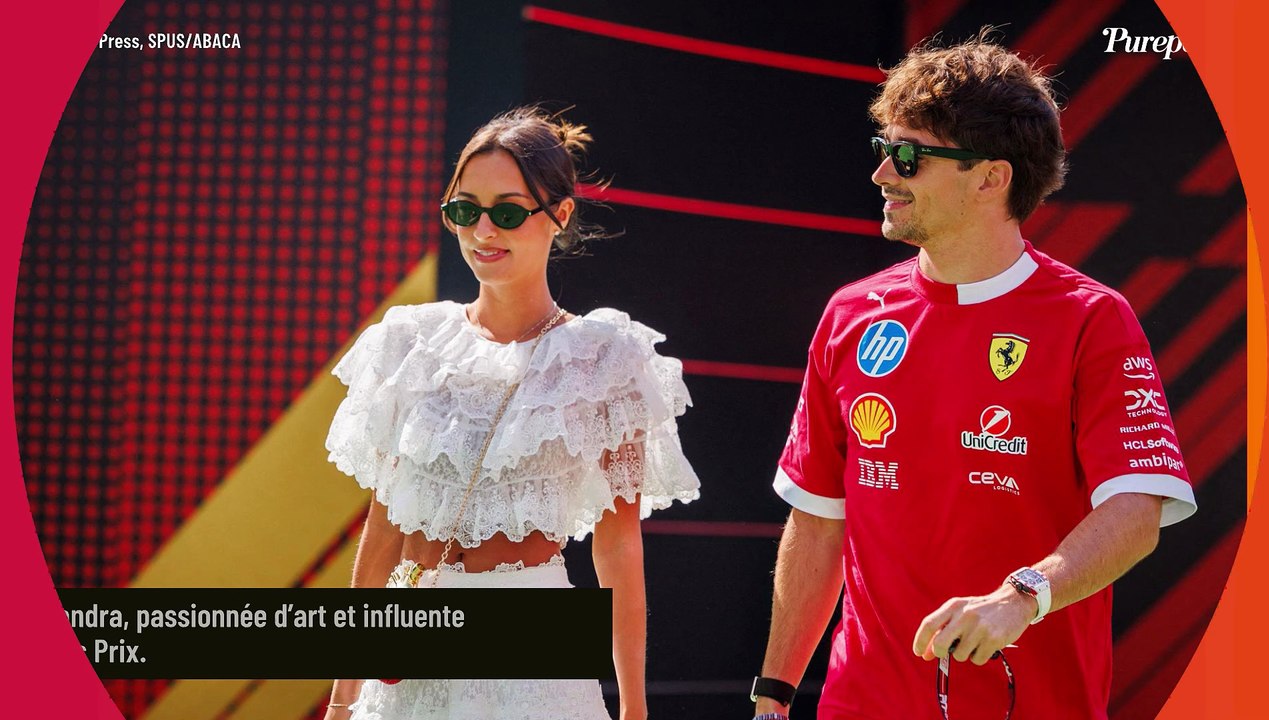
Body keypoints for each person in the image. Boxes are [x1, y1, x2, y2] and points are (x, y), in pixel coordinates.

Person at [751, 32, 1197, 720]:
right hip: (860, 703)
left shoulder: (1093, 320)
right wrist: (773, 695)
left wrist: (1022, 595)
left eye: (908, 156)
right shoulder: (849, 315)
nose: (882, 175)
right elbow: (817, 523)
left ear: (991, 178)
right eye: (883, 150)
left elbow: (1137, 512)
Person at [322, 106, 700, 720]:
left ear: (560, 216)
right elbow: (384, 526)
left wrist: (633, 709)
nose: (483, 232)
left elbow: (618, 546)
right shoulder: (410, 341)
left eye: (507, 211)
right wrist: (342, 697)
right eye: (465, 210)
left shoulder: (605, 358)